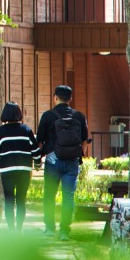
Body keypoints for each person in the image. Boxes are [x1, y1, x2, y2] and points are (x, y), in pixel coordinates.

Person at [37, 84, 90, 240]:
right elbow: (85, 140)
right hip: (72, 162)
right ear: (70, 98)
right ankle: (64, 232)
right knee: (68, 197)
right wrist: (79, 155)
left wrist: (38, 159)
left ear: (55, 98)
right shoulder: (79, 116)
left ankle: (49, 228)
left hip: (53, 160)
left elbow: (40, 141)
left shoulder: (47, 116)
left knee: (49, 195)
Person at [0, 102, 40, 231]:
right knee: (21, 199)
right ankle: (19, 229)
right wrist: (37, 163)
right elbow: (35, 150)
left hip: (7, 169)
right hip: (24, 170)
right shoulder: (26, 130)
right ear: (19, 114)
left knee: (9, 199)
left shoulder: (0, 131)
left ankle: (11, 230)